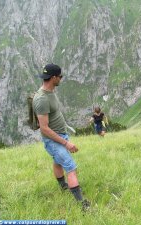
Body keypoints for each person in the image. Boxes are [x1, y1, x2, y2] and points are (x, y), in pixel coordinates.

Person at [32, 64, 91, 210]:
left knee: (57, 162)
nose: (61, 79)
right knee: (71, 167)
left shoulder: (50, 91)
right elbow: (44, 128)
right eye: (60, 76)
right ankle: (81, 204)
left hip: (60, 135)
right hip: (54, 140)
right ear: (53, 78)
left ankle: (63, 186)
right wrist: (66, 143)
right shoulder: (42, 99)